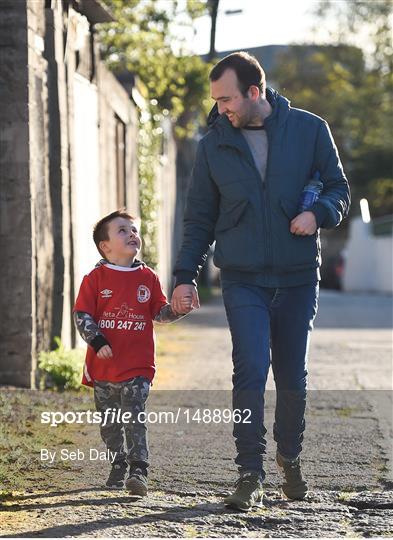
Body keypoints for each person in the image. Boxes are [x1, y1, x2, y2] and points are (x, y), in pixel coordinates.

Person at [171, 52, 350, 511]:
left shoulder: (311, 129)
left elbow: (338, 189)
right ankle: (249, 471)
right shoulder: (215, 143)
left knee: (292, 374)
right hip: (242, 277)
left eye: (227, 98)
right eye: (216, 99)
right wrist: (184, 276)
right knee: (250, 367)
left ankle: (289, 457)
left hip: (295, 277)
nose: (221, 108)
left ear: (255, 91)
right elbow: (199, 219)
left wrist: (317, 213)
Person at [73, 210, 191, 495]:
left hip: (137, 365)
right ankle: (118, 461)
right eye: (122, 231)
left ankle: (139, 469)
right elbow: (82, 314)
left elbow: (159, 313)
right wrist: (97, 341)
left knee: (134, 415)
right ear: (106, 246)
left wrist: (177, 309)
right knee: (110, 424)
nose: (132, 234)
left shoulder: (147, 277)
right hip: (104, 368)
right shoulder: (95, 278)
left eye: (134, 230)